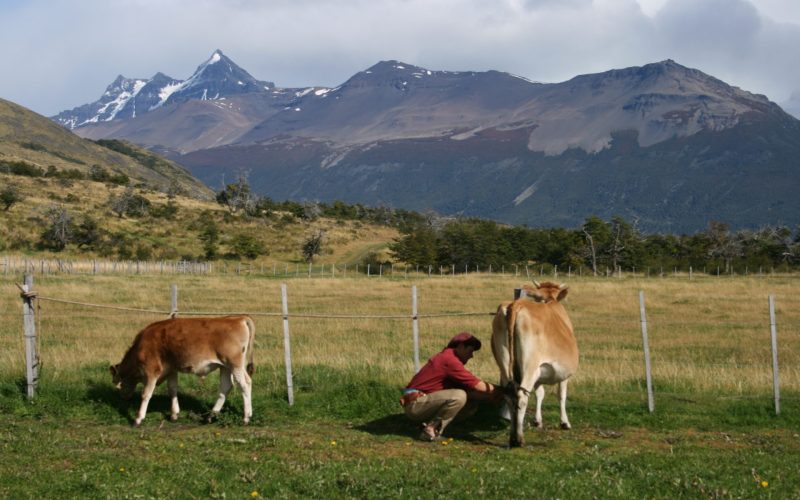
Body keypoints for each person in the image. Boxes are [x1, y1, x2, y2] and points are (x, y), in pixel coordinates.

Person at [400, 331, 504, 441]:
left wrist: (492, 396)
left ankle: (426, 424)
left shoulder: (448, 357)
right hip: (415, 405)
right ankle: (430, 430)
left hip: (421, 402)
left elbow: (471, 391)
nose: (471, 356)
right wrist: (505, 390)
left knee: (469, 404)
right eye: (470, 351)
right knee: (459, 396)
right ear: (461, 346)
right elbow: (478, 386)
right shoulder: (449, 360)